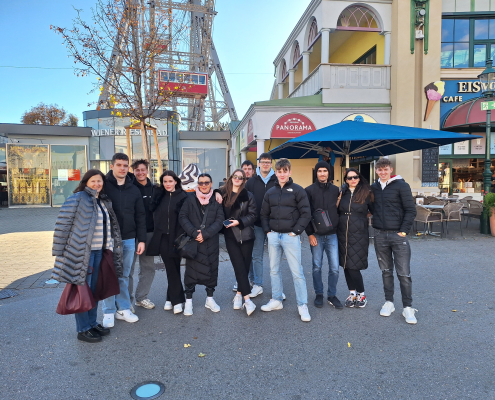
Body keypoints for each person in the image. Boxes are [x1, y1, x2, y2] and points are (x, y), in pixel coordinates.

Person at [51, 169, 123, 343]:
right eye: (93, 181)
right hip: (82, 253)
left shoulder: (102, 200)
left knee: (95, 290)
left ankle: (92, 323)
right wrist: (59, 251)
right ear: (86, 182)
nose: (97, 184)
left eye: (99, 181)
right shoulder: (77, 198)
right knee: (84, 291)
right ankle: (83, 329)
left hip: (100, 251)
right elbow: (63, 225)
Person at [260, 158, 312, 322]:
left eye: (285, 171)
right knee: (274, 270)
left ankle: (302, 305)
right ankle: (276, 300)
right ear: (275, 172)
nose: (282, 174)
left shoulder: (298, 190)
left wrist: (296, 232)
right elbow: (264, 214)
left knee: (297, 272)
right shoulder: (270, 192)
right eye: (279, 171)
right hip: (274, 236)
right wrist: (268, 231)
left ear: (290, 172)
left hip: (291, 236)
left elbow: (306, 213)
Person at [102, 153, 146, 328]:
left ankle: (124, 308)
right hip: (107, 238)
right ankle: (108, 311)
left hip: (128, 238)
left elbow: (140, 216)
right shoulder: (103, 186)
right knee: (108, 275)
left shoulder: (134, 189)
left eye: (125, 165)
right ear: (112, 166)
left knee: (124, 275)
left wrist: (141, 240)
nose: (122, 168)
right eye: (119, 165)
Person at [371, 158, 417, 324]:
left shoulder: (401, 185)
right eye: (380, 169)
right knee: (386, 271)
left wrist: (403, 231)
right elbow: (372, 208)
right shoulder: (374, 187)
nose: (383, 172)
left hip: (398, 235)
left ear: (391, 169)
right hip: (380, 235)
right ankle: (389, 302)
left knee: (404, 273)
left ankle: (407, 307)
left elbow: (410, 210)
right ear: (376, 171)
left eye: (385, 169)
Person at [179, 173, 224, 316]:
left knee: (212, 269)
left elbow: (220, 220)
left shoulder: (216, 200)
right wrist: (194, 233)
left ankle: (210, 299)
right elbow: (183, 217)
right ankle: (188, 301)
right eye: (201, 183)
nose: (204, 185)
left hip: (210, 241)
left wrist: (205, 234)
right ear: (197, 184)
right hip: (194, 241)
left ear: (211, 184)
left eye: (206, 182)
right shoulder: (190, 198)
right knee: (191, 272)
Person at [147, 170, 188, 314]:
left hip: (178, 238)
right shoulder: (159, 196)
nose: (168, 184)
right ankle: (177, 300)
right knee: (171, 268)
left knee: (174, 268)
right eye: (165, 181)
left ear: (176, 181)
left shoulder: (183, 196)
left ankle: (170, 298)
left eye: (170, 181)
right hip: (163, 237)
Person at [305, 161, 342, 309]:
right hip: (316, 235)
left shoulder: (336, 190)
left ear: (329, 173)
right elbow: (306, 214)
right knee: (316, 267)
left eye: (325, 171)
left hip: (332, 235)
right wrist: (310, 234)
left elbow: (339, 210)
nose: (322, 173)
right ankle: (319, 294)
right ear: (316, 173)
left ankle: (332, 295)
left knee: (334, 268)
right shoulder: (309, 190)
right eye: (319, 171)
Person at [221, 169, 257, 316]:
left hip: (246, 235)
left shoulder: (248, 195)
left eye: (240, 177)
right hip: (230, 236)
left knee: (244, 266)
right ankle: (247, 300)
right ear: (231, 178)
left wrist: (239, 222)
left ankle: (238, 295)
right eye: (235, 176)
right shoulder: (223, 194)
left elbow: (253, 215)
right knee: (238, 265)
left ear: (243, 180)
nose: (237, 179)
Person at [337, 168, 374, 308]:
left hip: (359, 233)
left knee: (354, 266)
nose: (353, 180)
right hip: (342, 232)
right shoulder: (342, 192)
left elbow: (374, 210)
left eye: (355, 177)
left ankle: (361, 294)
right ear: (346, 180)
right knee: (346, 265)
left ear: (359, 178)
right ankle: (352, 293)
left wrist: (360, 219)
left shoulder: (367, 192)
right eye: (349, 178)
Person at [244, 152, 278, 297]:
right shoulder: (251, 182)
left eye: (268, 162)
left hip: (275, 225)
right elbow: (244, 202)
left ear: (271, 164)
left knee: (275, 258)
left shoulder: (278, 179)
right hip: (257, 225)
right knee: (256, 256)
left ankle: (277, 289)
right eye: (263, 162)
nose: (265, 164)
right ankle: (258, 284)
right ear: (258, 164)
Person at [129, 159, 156, 310]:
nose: (140, 172)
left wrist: (216, 192)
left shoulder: (155, 189)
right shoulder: (129, 188)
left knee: (148, 268)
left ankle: (141, 297)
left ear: (147, 170)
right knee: (128, 269)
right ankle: (126, 301)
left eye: (142, 169)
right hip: (132, 234)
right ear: (133, 171)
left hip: (149, 233)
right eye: (137, 170)